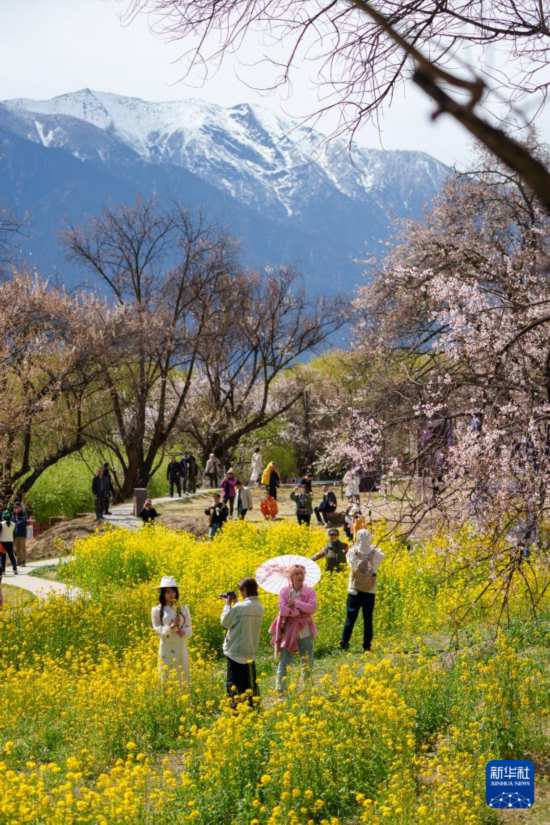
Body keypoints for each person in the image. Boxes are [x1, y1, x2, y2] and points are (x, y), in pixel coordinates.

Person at [270, 564, 317, 694]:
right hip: (289, 631)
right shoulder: (285, 591)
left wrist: (296, 604)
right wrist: (297, 612)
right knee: (285, 659)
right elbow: (283, 610)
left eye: (302, 573)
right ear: (290, 577)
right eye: (296, 574)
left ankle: (307, 687)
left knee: (307, 660)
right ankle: (281, 687)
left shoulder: (310, 591)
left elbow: (312, 608)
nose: (300, 576)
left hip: (305, 630)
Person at [339, 529, 385, 653]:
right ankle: (367, 646)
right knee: (368, 619)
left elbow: (349, 562)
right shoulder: (376, 553)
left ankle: (344, 644)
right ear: (370, 538)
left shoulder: (353, 552)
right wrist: (374, 546)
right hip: (370, 590)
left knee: (350, 619)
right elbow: (382, 556)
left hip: (354, 589)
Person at [221, 577, 264, 705]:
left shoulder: (239, 607)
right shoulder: (259, 607)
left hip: (235, 651)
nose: (240, 592)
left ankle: (236, 711)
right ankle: (252, 707)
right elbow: (243, 617)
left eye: (240, 590)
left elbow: (225, 622)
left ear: (244, 590)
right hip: (250, 650)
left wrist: (228, 604)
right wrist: (236, 602)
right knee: (249, 683)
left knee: (234, 684)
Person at [151, 576, 192, 689]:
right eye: (167, 592)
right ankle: (168, 701)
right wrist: (171, 627)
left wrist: (182, 631)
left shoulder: (183, 608)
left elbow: (189, 629)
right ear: (162, 594)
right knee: (166, 675)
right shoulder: (157, 610)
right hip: (166, 647)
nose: (171, 595)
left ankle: (183, 703)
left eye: (173, 591)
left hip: (180, 646)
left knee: (181, 675)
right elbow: (157, 630)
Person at [0, 510, 17, 575]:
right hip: (10, 542)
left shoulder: (1, 524)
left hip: (2, 542)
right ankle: (15, 569)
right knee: (11, 556)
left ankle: (3, 571)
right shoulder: (13, 524)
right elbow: (14, 534)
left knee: (2, 557)